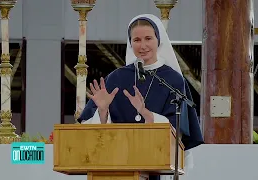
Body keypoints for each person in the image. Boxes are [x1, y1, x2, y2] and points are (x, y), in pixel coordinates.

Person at [78, 14, 204, 180]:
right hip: (117, 165)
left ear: (158, 40)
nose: (143, 45)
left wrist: (146, 113)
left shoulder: (172, 79)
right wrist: (102, 111)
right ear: (130, 43)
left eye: (148, 38)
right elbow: (94, 131)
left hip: (156, 165)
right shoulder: (117, 77)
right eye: (137, 40)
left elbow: (177, 131)